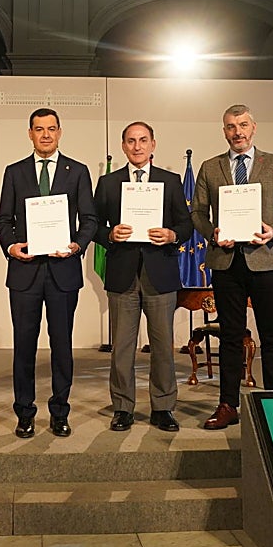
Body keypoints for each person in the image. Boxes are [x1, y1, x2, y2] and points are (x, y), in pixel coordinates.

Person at [190, 104, 273, 429]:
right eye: (230, 126)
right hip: (226, 263)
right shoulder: (210, 167)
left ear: (253, 128)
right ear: (224, 131)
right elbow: (197, 212)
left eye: (242, 125)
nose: (237, 132)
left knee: (272, 336)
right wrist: (212, 231)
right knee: (229, 337)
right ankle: (227, 405)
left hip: (266, 260)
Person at [0, 107, 97, 438]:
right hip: (24, 273)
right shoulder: (14, 172)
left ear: (59, 132)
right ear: (30, 133)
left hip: (63, 271)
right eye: (39, 129)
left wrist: (76, 246)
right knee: (23, 346)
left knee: (62, 345)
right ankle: (24, 413)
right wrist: (11, 247)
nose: (46, 135)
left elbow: (90, 220)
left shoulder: (78, 171)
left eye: (51, 128)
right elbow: (3, 221)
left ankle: (59, 412)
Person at [92, 121, 192, 432]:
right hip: (123, 274)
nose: (137, 146)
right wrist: (110, 233)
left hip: (160, 273)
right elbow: (91, 225)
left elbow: (187, 225)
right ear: (123, 146)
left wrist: (172, 234)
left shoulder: (171, 181)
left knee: (162, 345)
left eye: (143, 140)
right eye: (131, 141)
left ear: (153, 144)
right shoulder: (108, 183)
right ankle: (123, 407)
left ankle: (163, 407)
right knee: (122, 346)